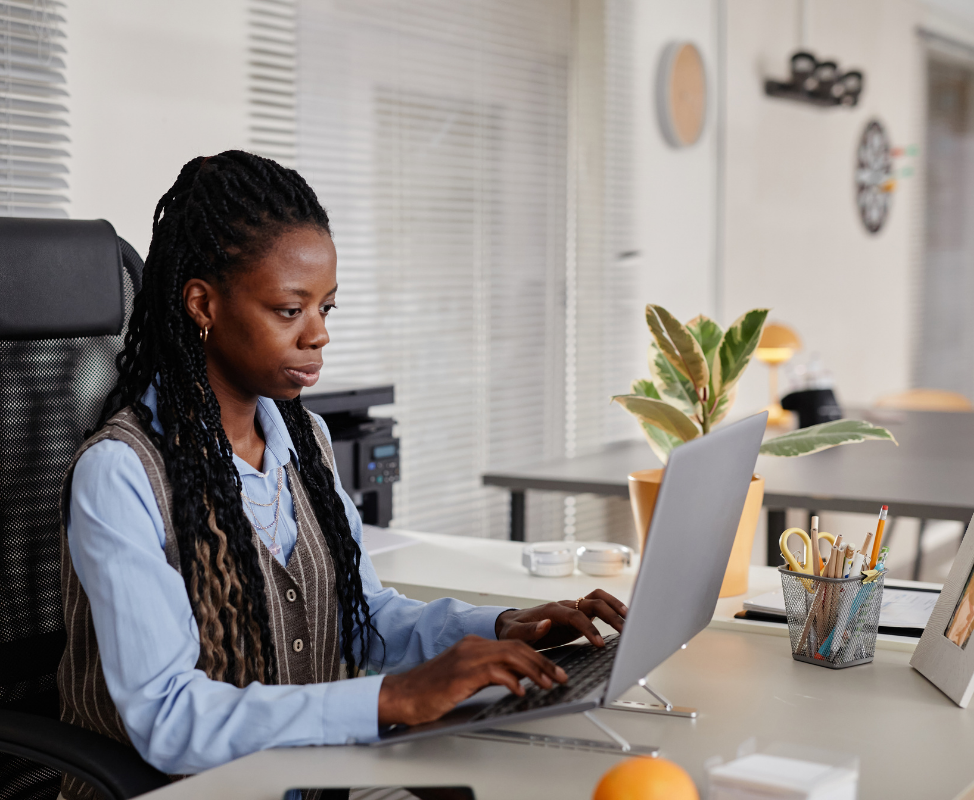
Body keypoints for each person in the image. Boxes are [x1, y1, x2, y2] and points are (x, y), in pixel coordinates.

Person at [57, 151, 628, 798]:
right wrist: (390, 699)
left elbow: (361, 617)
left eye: (327, 308)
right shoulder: (122, 473)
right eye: (288, 309)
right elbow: (166, 715)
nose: (318, 335)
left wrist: (497, 629)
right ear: (202, 304)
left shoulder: (308, 440)